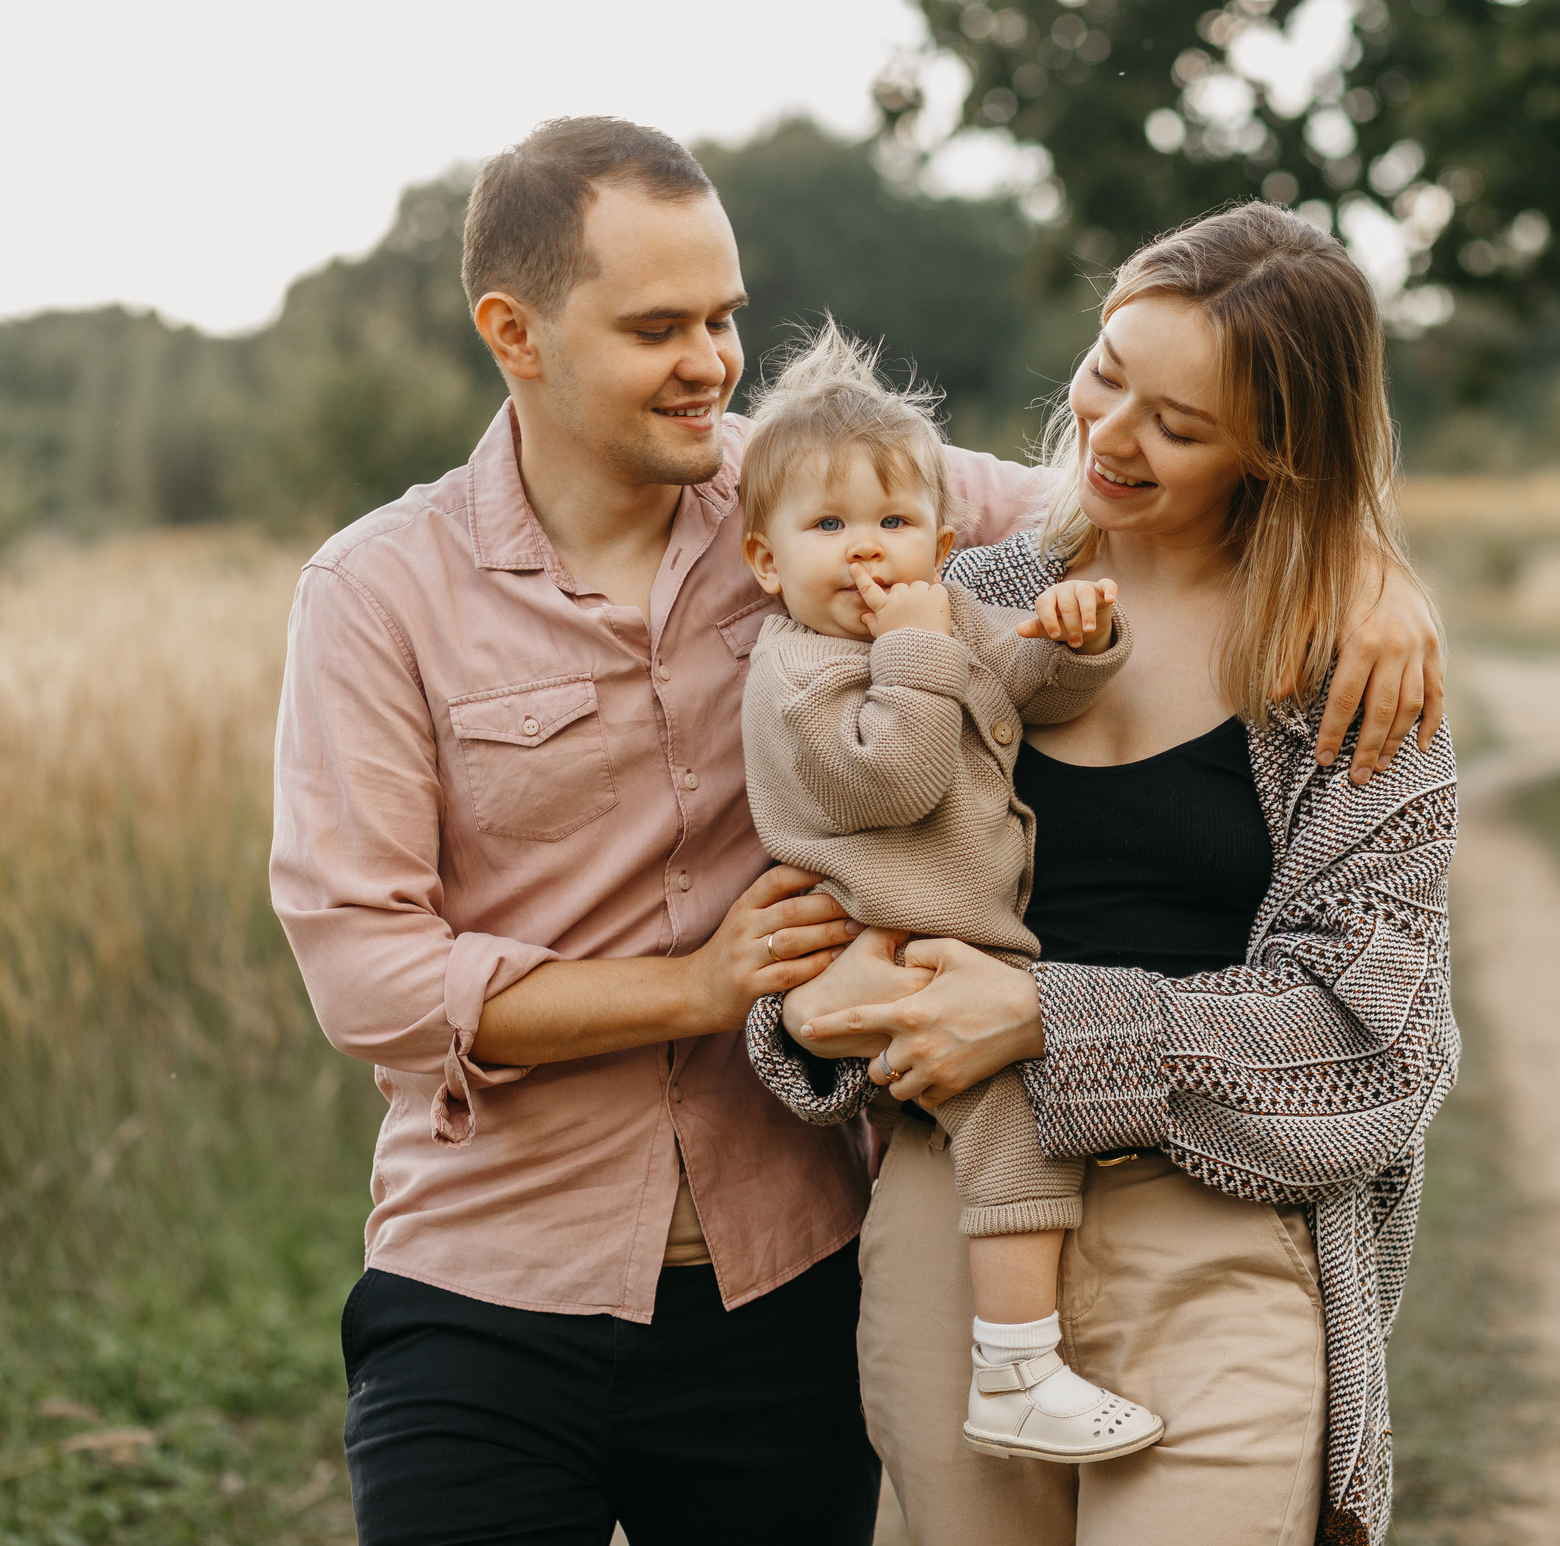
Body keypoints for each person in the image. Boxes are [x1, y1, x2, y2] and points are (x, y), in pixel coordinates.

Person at [268, 117, 1446, 1546]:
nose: (710, 361)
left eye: (724, 317)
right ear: (513, 331)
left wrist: (1367, 558)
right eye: (659, 326)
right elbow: (371, 975)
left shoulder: (838, 488)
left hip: (801, 1273)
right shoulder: (385, 589)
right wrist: (708, 989)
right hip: (499, 1264)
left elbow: (1135, 497)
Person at [754, 202, 1461, 1546]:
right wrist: (805, 1005)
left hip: (1224, 1240)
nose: (1109, 433)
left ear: (1279, 447)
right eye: (1106, 369)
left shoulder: (1348, 671)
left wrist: (1046, 1015)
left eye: (1179, 424)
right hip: (951, 1227)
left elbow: (1381, 1042)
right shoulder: (962, 594)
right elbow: (834, 859)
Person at [735, 322, 1167, 1463]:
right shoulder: (797, 673)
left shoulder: (933, 615)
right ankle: (1017, 1367)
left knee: (1013, 1124)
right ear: (767, 562)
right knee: (1017, 1122)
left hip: (959, 944)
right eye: (828, 528)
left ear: (941, 533)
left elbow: (1020, 696)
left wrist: (1077, 643)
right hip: (894, 953)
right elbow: (900, 771)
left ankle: (1025, 1354)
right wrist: (920, 648)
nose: (866, 554)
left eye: (892, 523)